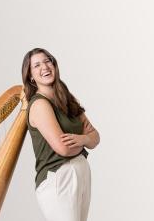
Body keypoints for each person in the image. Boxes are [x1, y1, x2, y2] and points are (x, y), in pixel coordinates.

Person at [21, 48, 100, 221]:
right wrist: (86, 141)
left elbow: (95, 137)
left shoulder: (66, 98)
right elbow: (63, 149)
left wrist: (83, 139)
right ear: (31, 76)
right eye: (37, 65)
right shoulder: (39, 105)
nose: (45, 67)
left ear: (54, 64)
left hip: (81, 172)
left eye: (47, 61)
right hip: (58, 178)